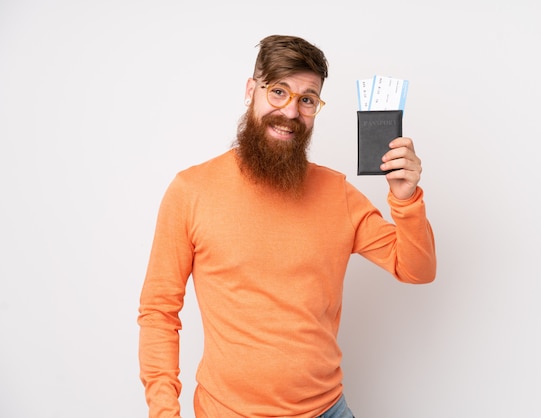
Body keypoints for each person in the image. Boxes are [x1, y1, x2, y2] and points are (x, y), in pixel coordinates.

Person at [137, 34, 437, 418]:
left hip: (327, 410)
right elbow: (159, 311)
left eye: (307, 99)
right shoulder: (191, 191)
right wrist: (164, 412)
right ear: (251, 90)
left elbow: (417, 270)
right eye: (278, 92)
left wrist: (406, 198)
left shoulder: (337, 193)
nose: (291, 111)